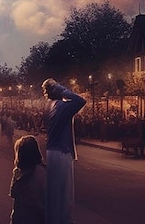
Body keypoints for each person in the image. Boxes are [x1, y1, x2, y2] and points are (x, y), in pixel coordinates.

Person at [41, 78, 86, 224]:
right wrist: (62, 89)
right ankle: (64, 220)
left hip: (51, 151)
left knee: (52, 191)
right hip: (62, 151)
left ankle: (52, 219)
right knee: (64, 192)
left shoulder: (49, 106)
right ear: (56, 90)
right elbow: (80, 101)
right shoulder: (62, 107)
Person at [9, 135, 45, 224]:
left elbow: (13, 193)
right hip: (37, 217)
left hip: (20, 218)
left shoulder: (18, 172)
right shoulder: (42, 172)